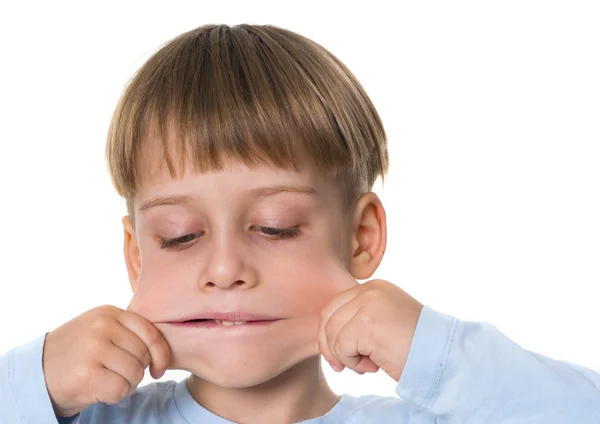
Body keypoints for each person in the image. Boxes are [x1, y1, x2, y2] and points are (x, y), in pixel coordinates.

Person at [1, 23, 599, 424]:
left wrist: (436, 352)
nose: (226, 269)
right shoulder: (83, 416)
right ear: (136, 256)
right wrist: (38, 380)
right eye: (180, 235)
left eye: (276, 226)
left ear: (361, 237)